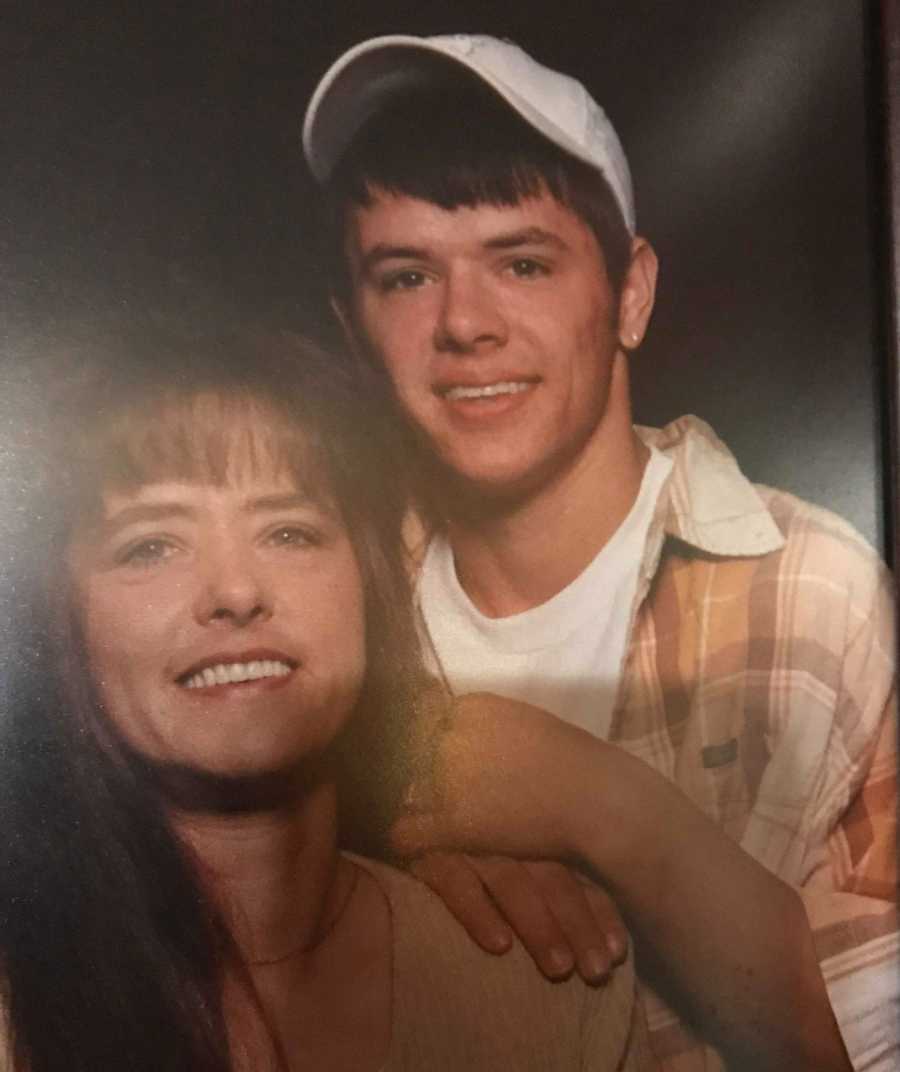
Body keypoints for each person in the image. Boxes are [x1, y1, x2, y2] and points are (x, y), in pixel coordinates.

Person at [302, 33, 899, 1071]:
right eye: (405, 277)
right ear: (352, 330)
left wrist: (591, 803)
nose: (465, 325)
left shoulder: (822, 592)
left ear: (630, 294)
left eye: (523, 262)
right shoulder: (314, 616)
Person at [0, 321, 653, 1071]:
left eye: (289, 532)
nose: (236, 592)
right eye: (150, 545)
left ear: (370, 586)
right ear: (60, 624)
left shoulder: (538, 982)